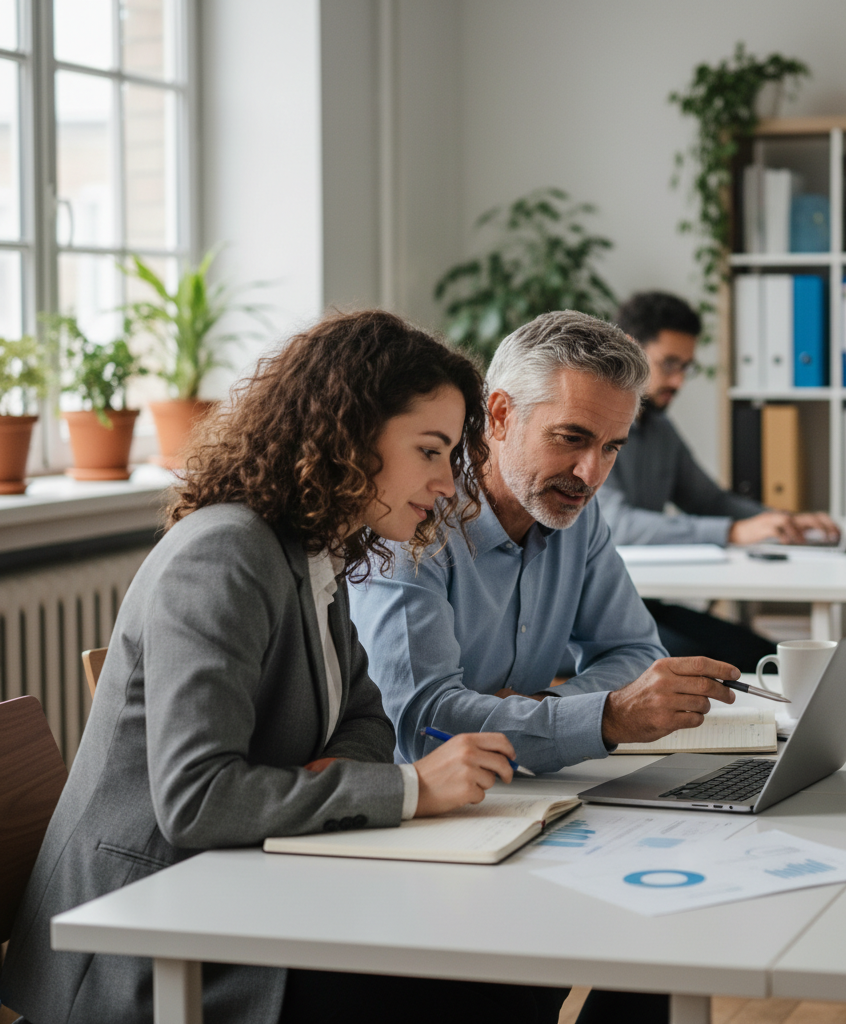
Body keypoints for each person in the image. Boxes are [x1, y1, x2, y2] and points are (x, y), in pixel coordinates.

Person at [0, 310, 568, 1024]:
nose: (447, 486)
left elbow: (364, 719)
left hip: (247, 891)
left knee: (522, 965)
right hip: (143, 947)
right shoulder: (226, 554)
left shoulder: (315, 550)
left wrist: (331, 777)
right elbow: (199, 800)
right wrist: (405, 788)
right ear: (352, 433)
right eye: (429, 451)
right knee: (499, 983)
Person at [350, 310, 740, 1024]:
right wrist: (602, 714)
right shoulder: (414, 520)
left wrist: (541, 710)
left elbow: (634, 651)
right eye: (572, 439)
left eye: (613, 448)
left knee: (667, 930)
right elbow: (426, 724)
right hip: (419, 852)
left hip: (522, 812)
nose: (592, 473)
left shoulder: (574, 513)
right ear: (498, 416)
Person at [601, 291, 839, 669]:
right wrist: (731, 532)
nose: (678, 381)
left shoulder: (659, 426)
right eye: (669, 364)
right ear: (630, 349)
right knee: (737, 662)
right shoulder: (598, 426)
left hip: (644, 602)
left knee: (765, 655)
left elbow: (709, 500)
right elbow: (619, 525)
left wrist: (781, 520)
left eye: (686, 367)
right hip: (593, 619)